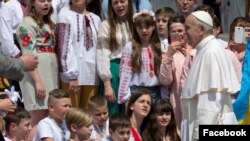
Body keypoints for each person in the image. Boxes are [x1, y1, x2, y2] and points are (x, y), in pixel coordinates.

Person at [181, 11, 240, 141]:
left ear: (201, 29)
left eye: (187, 28)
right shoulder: (206, 49)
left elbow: (209, 105)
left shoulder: (210, 52)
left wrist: (198, 137)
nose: (184, 33)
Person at [16, 0, 59, 139]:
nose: (46, 4)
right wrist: (38, 81)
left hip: (50, 72)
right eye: (41, 1)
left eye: (48, 1)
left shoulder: (48, 23)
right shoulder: (27, 23)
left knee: (46, 114)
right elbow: (27, 54)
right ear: (32, 3)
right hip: (36, 73)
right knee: (37, 117)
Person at [57, 0, 101, 110]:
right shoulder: (64, 15)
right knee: (72, 112)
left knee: (89, 113)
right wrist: (71, 75)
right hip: (73, 75)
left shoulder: (96, 19)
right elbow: (64, 47)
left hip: (92, 74)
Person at [97, 0, 133, 116]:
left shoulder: (135, 22)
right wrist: (107, 84)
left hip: (133, 71)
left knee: (131, 111)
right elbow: (102, 53)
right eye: (115, 3)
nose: (119, 5)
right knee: (114, 111)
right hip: (114, 71)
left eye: (122, 1)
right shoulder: (106, 25)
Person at [118, 10, 162, 104]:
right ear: (136, 28)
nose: (144, 30)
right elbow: (125, 73)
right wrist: (125, 98)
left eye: (147, 27)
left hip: (155, 92)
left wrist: (164, 95)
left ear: (153, 27)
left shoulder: (159, 47)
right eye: (140, 27)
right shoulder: (130, 47)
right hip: (136, 92)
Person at [159, 15, 192, 130]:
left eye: (180, 31)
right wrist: (169, 55)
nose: (178, 34)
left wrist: (190, 56)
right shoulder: (166, 53)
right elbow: (164, 80)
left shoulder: (196, 50)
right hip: (177, 102)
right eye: (173, 32)